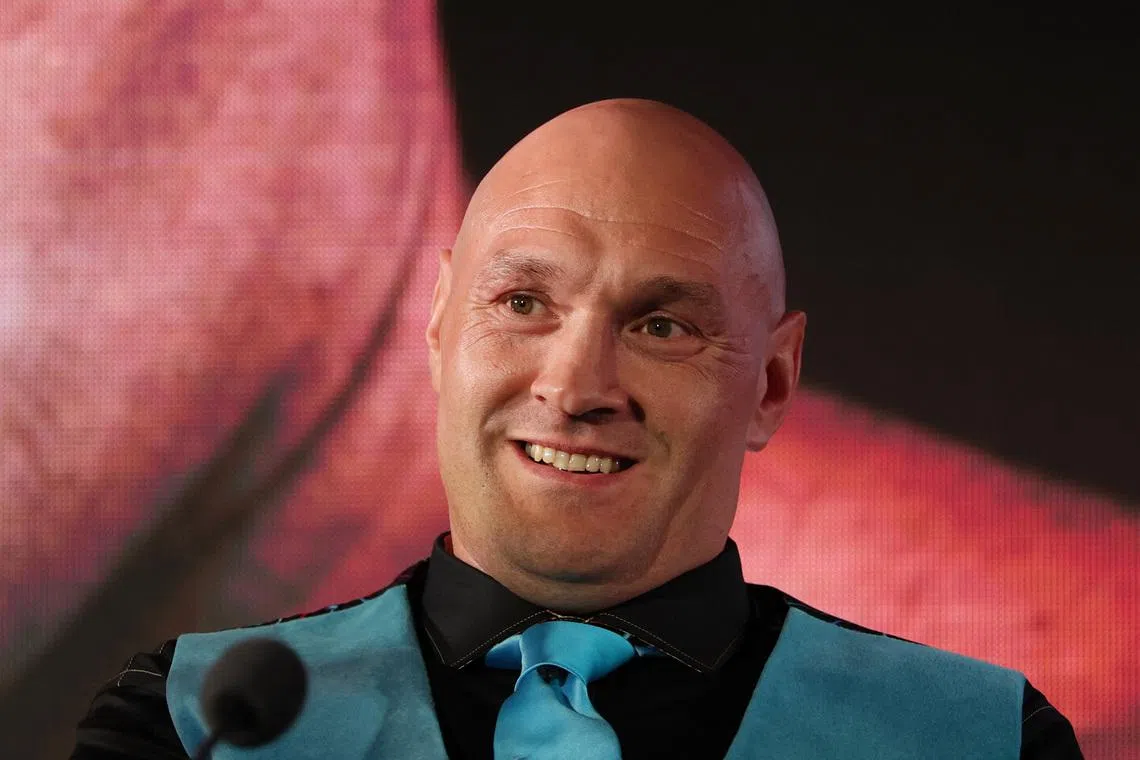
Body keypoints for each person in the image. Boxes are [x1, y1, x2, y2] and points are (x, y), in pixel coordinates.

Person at [70, 99, 1083, 759]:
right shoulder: (185, 727)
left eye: (660, 323)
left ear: (771, 383)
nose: (575, 384)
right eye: (521, 302)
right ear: (437, 328)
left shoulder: (984, 742)